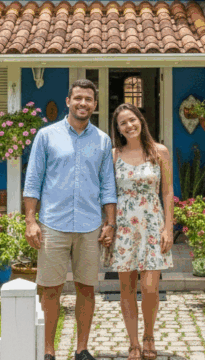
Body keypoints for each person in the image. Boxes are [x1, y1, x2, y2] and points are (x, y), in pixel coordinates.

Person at [23, 79, 117, 360]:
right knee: (50, 289)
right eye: (78, 98)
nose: (83, 104)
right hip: (53, 224)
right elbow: (33, 181)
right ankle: (48, 350)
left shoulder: (102, 140)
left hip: (90, 226)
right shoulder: (46, 136)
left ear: (95, 105)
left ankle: (82, 349)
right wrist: (30, 220)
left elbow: (108, 186)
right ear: (68, 101)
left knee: (86, 288)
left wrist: (110, 223)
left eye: (88, 99)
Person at [106, 103, 174, 360]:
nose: (129, 125)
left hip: (153, 224)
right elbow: (108, 194)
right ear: (118, 129)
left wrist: (168, 227)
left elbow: (167, 192)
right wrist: (109, 225)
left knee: (149, 287)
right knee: (126, 288)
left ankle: (149, 335)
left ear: (141, 121)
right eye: (123, 123)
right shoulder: (113, 155)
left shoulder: (159, 152)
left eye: (132, 120)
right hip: (124, 226)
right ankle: (133, 342)